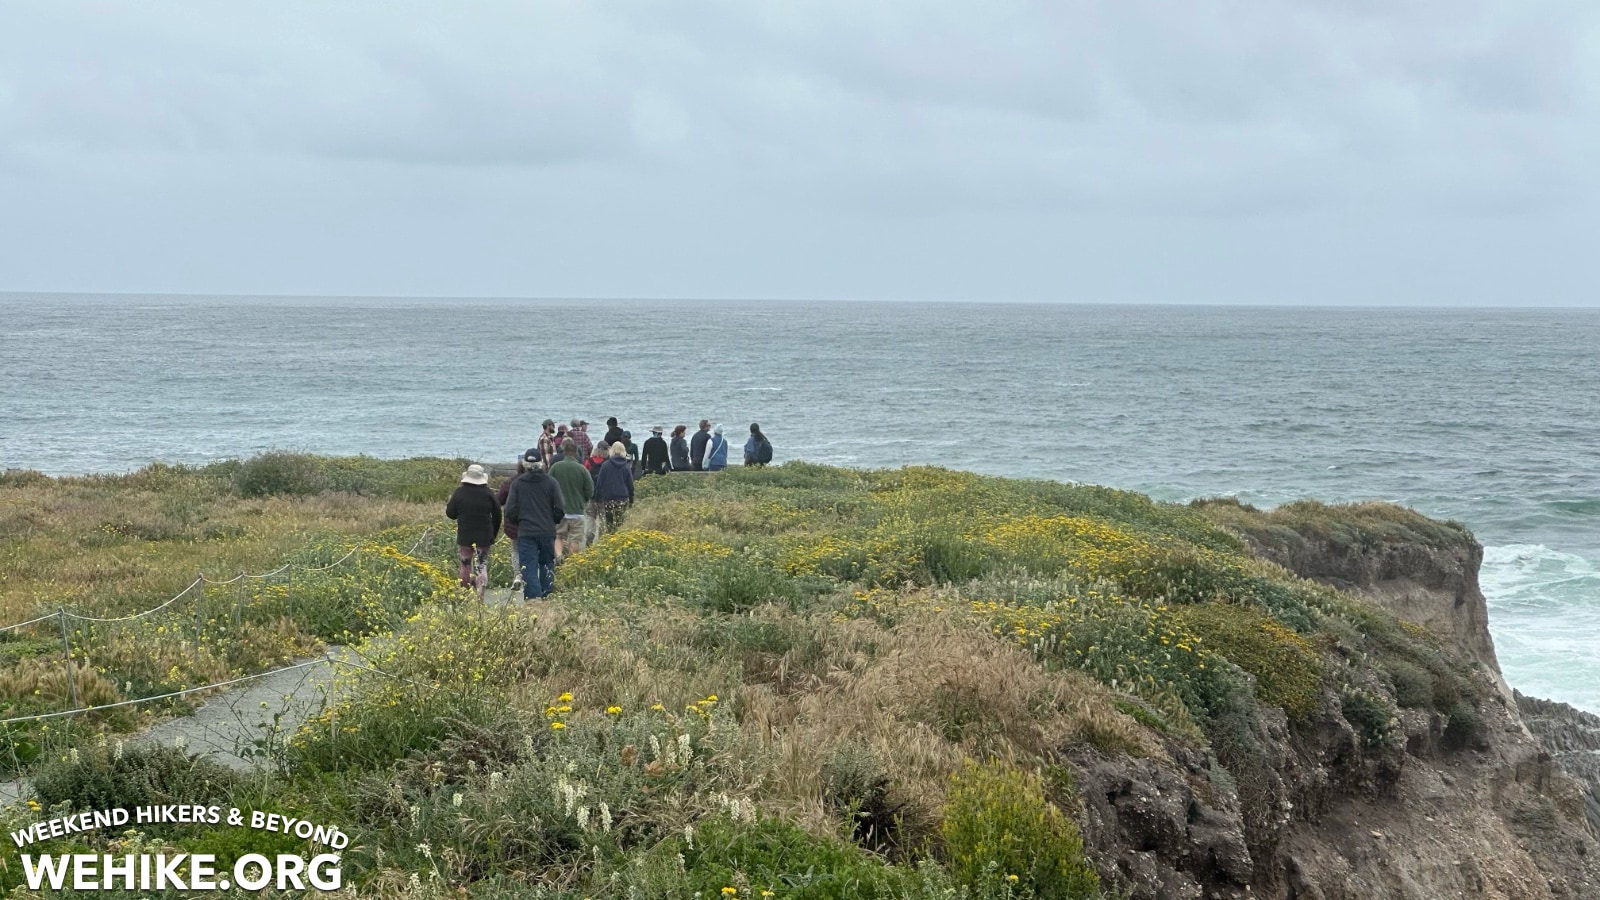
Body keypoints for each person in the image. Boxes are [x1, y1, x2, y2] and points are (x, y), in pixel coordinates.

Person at [502, 447, 566, 599]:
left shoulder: (517, 484)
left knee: (528, 567)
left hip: (526, 532)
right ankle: (546, 595)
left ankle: (533, 599)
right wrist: (552, 520)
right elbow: (560, 508)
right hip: (546, 531)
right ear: (541, 463)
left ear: (525, 464)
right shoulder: (551, 483)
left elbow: (509, 510)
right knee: (546, 564)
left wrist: (520, 520)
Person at [445, 464, 501, 599]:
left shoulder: (459, 492)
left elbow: (450, 514)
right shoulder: (488, 493)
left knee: (465, 564)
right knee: (482, 565)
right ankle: (480, 596)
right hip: (484, 535)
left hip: (465, 534)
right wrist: (493, 534)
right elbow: (498, 515)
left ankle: (464, 594)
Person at [549, 438, 594, 558]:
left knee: (558, 536)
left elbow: (548, 487)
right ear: (576, 453)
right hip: (577, 512)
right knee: (575, 539)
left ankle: (558, 556)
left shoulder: (555, 467)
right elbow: (590, 491)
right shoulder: (582, 469)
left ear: (564, 452)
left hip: (559, 511)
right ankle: (571, 561)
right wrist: (582, 500)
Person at [593, 441, 636, 535]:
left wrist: (597, 498)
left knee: (609, 523)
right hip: (622, 498)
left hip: (608, 498)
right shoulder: (626, 466)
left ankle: (610, 539)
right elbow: (630, 485)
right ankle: (619, 540)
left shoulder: (605, 465)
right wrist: (631, 499)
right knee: (620, 522)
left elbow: (599, 483)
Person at [495, 457, 525, 589]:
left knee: (516, 550)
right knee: (533, 550)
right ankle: (530, 576)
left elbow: (498, 501)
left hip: (514, 525)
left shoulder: (509, 483)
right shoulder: (539, 482)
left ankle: (517, 575)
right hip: (535, 524)